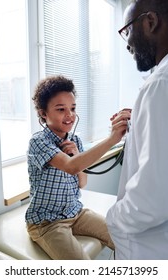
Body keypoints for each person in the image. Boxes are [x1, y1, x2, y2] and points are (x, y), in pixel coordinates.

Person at [25, 75, 130, 260]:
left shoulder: (75, 140)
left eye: (72, 108)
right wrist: (113, 138)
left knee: (125, 239)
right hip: (47, 222)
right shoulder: (38, 142)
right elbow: (70, 167)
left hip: (75, 212)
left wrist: (76, 155)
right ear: (43, 113)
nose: (70, 115)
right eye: (61, 109)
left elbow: (82, 181)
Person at [106, 0, 168, 259]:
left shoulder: (159, 85)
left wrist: (114, 218)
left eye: (127, 30)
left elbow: (151, 200)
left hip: (149, 248)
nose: (128, 43)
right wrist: (138, 122)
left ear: (150, 22)